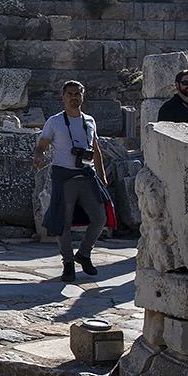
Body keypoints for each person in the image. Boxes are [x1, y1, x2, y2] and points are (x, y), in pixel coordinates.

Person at [35, 80, 110, 282]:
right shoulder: (55, 121)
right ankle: (68, 263)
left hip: (87, 175)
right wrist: (39, 157)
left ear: (82, 97)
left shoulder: (90, 121)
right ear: (63, 97)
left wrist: (102, 176)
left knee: (100, 218)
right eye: (70, 94)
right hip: (64, 175)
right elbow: (41, 145)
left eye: (77, 94)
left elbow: (96, 150)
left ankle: (84, 253)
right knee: (63, 221)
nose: (74, 97)